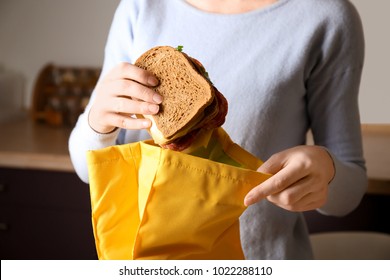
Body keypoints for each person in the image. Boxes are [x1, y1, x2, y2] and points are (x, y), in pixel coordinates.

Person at [69, 0, 367, 259]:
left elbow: (350, 189)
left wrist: (326, 171)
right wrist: (98, 122)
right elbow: (88, 169)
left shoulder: (327, 16)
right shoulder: (141, 7)